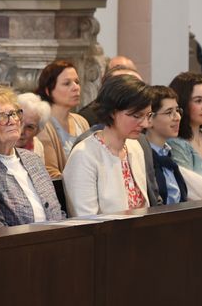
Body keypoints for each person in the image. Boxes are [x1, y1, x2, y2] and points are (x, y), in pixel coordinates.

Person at [0, 85, 64, 225]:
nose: (12, 121)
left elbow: (56, 211)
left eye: (13, 114)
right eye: (1, 117)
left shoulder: (32, 159)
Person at [62, 76, 153, 217]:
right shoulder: (84, 155)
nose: (145, 124)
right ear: (112, 112)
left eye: (148, 115)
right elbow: (86, 221)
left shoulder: (135, 146)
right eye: (137, 115)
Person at [34, 60, 89, 178]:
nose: (76, 88)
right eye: (67, 83)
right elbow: (51, 173)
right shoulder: (43, 124)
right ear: (48, 91)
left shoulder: (81, 121)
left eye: (77, 82)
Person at [142, 85, 189, 205]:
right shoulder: (142, 155)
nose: (177, 117)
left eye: (178, 111)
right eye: (169, 112)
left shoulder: (167, 154)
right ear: (150, 118)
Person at [13, 92, 49, 160]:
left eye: (30, 127)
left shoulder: (37, 147)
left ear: (38, 131)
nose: (21, 131)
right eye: (18, 121)